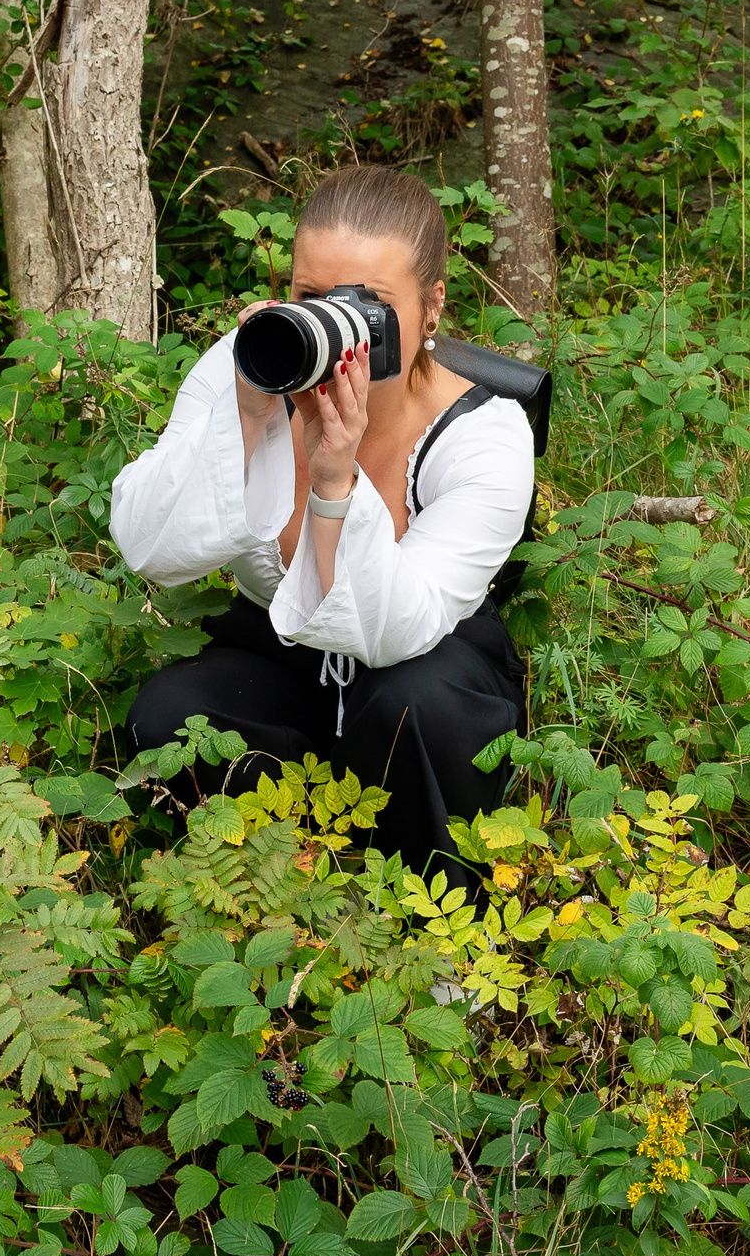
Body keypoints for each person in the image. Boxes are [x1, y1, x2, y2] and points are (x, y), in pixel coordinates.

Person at [112, 164, 538, 891]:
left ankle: (436, 906)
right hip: (280, 655)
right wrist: (246, 412)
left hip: (424, 668)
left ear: (432, 307)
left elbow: (403, 626)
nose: (337, 325)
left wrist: (337, 480)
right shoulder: (253, 364)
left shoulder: (485, 436)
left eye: (367, 305)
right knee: (167, 720)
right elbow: (147, 542)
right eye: (313, 297)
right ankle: (284, 879)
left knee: (413, 706)